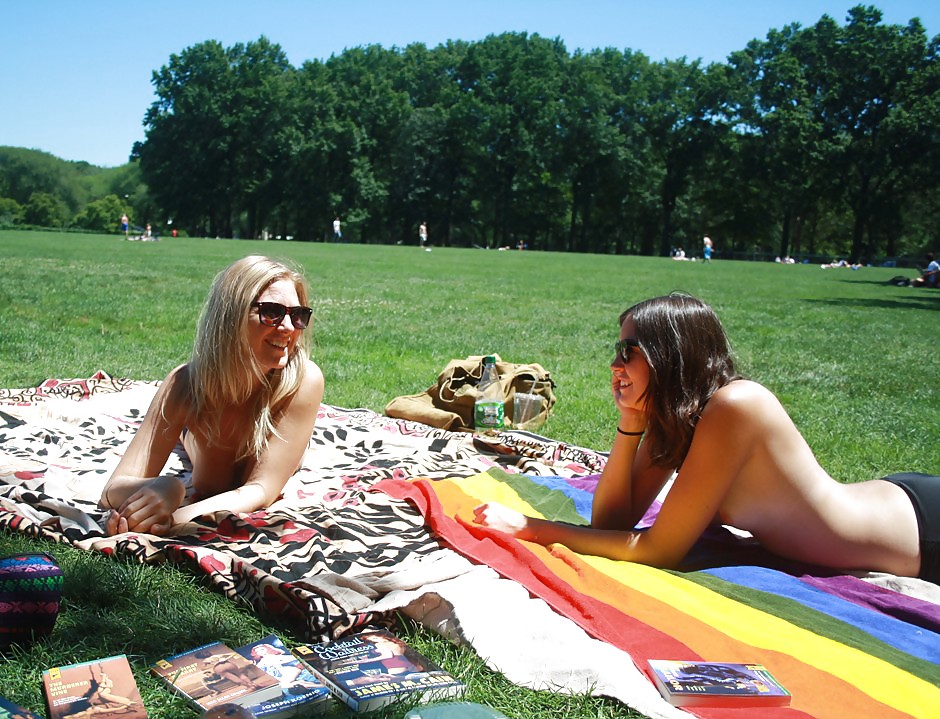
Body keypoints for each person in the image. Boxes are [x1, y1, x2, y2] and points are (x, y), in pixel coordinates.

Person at [473, 293, 937, 584]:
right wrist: (630, 422)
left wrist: (531, 528)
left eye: (628, 351)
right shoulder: (680, 418)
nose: (616, 364)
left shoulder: (737, 406)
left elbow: (658, 551)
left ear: (668, 356)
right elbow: (612, 521)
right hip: (891, 498)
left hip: (921, 532)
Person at [99, 255, 324, 536]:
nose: (289, 328)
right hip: (198, 429)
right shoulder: (185, 385)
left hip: (274, 447)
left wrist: (174, 518)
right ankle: (184, 437)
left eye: (298, 315)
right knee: (190, 442)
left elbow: (261, 489)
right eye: (272, 312)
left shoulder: (302, 382)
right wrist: (164, 488)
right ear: (231, 316)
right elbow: (111, 490)